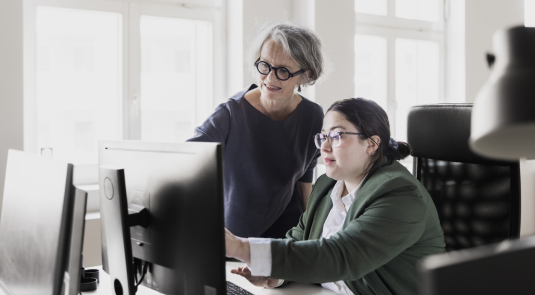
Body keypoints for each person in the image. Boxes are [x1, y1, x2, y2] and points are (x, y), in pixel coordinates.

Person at [225, 98, 446, 295]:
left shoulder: (400, 194)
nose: (325, 147)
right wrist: (273, 275)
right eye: (323, 137)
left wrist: (241, 248)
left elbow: (341, 256)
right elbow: (300, 242)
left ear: (371, 143)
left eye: (337, 135)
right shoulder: (326, 186)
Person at [188, 21, 326, 238]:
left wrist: (312, 239)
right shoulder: (231, 113)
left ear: (305, 75)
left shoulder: (313, 116)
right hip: (234, 236)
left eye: (283, 71)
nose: (270, 78)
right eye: (264, 65)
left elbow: (304, 182)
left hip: (287, 238)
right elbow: (186, 160)